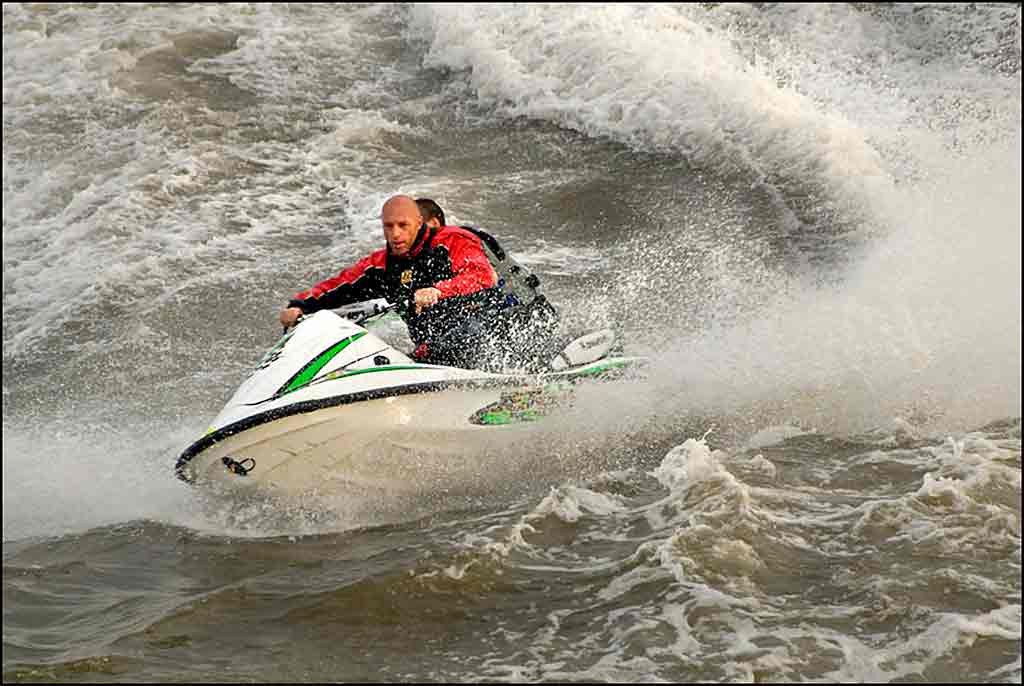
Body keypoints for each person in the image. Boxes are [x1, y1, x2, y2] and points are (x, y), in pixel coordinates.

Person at [278, 194, 560, 371]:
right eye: (389, 227)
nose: (396, 234)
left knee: (459, 338)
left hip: (512, 325)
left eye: (403, 226)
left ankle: (536, 376)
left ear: (419, 223)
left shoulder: (451, 241)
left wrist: (438, 290)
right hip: (441, 352)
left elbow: (483, 276)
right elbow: (339, 285)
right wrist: (300, 306)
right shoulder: (381, 264)